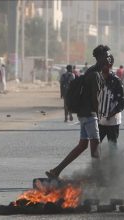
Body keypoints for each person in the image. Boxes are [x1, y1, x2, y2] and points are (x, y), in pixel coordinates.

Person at [46, 45, 111, 179]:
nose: (109, 58)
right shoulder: (95, 74)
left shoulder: (92, 71)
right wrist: (99, 116)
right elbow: (95, 97)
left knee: (82, 145)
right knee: (95, 148)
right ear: (100, 57)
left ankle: (56, 170)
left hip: (83, 114)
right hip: (90, 115)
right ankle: (97, 179)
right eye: (106, 55)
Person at [98, 60, 124, 152]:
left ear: (110, 66)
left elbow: (122, 102)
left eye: (105, 65)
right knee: (96, 144)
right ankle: (97, 165)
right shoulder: (98, 79)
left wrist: (112, 113)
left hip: (113, 121)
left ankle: (113, 165)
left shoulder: (116, 81)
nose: (103, 67)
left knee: (112, 145)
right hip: (100, 120)